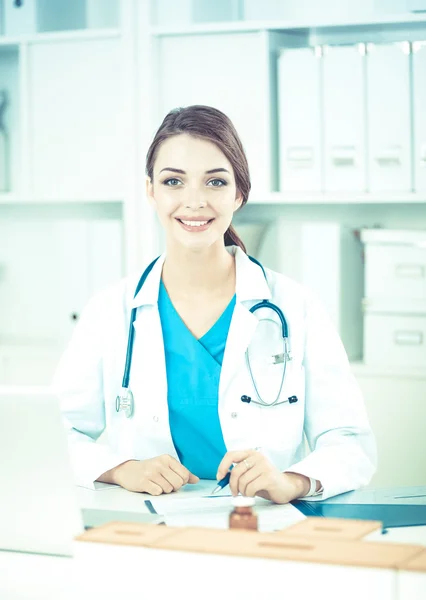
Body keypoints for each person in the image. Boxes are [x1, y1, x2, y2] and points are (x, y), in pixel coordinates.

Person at [53, 105, 376, 503]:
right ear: (150, 191)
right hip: (147, 525)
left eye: (215, 183)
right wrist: (123, 470)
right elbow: (56, 435)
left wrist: (291, 481)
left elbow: (350, 443)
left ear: (239, 193)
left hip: (261, 522)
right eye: (174, 181)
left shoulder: (294, 307)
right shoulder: (110, 311)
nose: (194, 201)